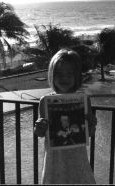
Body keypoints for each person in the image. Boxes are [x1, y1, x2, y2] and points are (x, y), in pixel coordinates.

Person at [34, 49, 97, 184]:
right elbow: (40, 134)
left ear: (77, 77)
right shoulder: (45, 101)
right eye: (59, 74)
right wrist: (39, 127)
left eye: (70, 74)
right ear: (52, 75)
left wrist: (92, 125)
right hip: (54, 160)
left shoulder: (84, 100)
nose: (65, 78)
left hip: (78, 159)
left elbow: (89, 133)